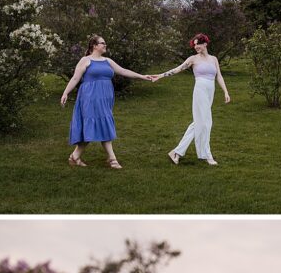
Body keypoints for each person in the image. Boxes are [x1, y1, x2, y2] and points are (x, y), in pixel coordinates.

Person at [61, 34, 154, 170]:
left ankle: (75, 157)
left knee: (99, 124)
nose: (105, 45)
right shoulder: (85, 60)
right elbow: (75, 79)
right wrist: (65, 92)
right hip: (90, 97)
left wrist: (143, 77)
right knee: (97, 124)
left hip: (105, 98)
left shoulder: (107, 61)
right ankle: (112, 159)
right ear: (95, 46)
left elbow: (123, 71)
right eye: (102, 43)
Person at [150, 33, 230, 166]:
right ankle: (207, 155)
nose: (196, 46)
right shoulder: (193, 59)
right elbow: (178, 69)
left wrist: (226, 92)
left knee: (199, 122)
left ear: (205, 44)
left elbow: (219, 76)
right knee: (206, 123)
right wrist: (160, 75)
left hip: (210, 91)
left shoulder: (214, 59)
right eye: (194, 45)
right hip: (200, 90)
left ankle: (176, 152)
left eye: (198, 44)